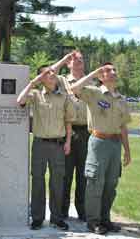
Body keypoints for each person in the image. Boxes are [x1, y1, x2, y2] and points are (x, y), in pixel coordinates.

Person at [70, 63, 132, 235]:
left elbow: (123, 127)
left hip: (115, 144)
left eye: (114, 70)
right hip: (99, 141)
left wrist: (127, 150)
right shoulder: (94, 92)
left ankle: (105, 219)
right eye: (107, 70)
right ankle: (93, 221)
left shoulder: (121, 99)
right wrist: (94, 72)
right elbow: (74, 88)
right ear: (100, 76)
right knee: (95, 182)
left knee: (111, 184)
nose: (112, 73)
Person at [17, 66, 76, 231]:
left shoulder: (64, 96)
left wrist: (68, 142)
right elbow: (20, 100)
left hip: (58, 144)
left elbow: (68, 121)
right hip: (40, 144)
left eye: (52, 72)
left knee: (57, 182)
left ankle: (56, 218)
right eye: (47, 73)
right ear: (41, 78)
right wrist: (33, 82)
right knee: (37, 180)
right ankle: (37, 218)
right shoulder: (35, 95)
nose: (52, 74)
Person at [50, 51, 90, 221]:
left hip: (87, 133)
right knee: (65, 174)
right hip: (68, 132)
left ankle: (83, 210)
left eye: (81, 59)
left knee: (84, 175)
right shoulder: (62, 80)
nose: (78, 61)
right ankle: (62, 211)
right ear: (68, 63)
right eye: (74, 59)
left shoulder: (91, 81)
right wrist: (63, 59)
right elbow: (48, 73)